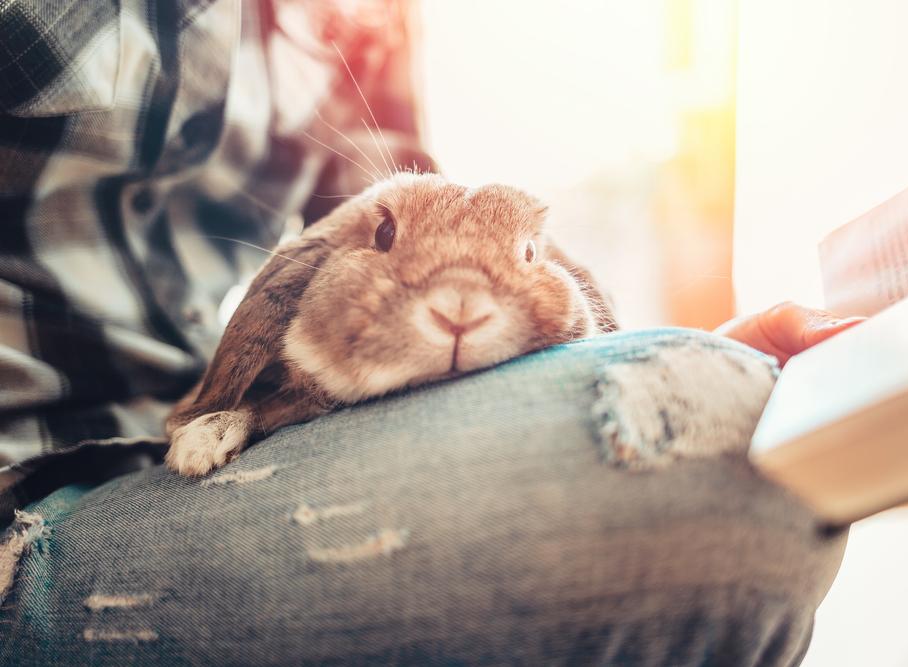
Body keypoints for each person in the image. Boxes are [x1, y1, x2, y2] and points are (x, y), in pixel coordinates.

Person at [0, 1, 857, 664]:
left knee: (735, 433)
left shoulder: (356, 17)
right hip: (22, 498)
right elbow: (357, 238)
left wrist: (635, 363)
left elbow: (422, 199)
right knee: (721, 499)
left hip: (159, 453)